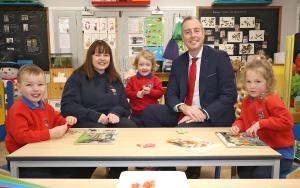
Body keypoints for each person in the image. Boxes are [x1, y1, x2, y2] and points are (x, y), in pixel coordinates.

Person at [143, 16, 237, 178]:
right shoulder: (178, 62)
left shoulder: (219, 57)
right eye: (187, 32)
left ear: (203, 33)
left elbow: (229, 95)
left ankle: (193, 171)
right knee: (149, 112)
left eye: (196, 30)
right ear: (183, 37)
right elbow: (170, 94)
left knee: (183, 132)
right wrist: (184, 108)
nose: (193, 35)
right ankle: (168, 170)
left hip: (211, 114)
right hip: (185, 110)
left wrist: (203, 113)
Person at [61, 40, 136, 178]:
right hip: (86, 120)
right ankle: (80, 175)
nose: (102, 58)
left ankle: (117, 173)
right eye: (98, 55)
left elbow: (125, 106)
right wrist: (94, 115)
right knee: (99, 134)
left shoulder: (115, 78)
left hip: (110, 120)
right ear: (90, 57)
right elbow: (67, 105)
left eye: (106, 55)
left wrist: (115, 113)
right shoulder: (78, 76)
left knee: (129, 126)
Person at [4, 64, 83, 178]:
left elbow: (59, 121)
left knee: (76, 170)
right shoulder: (17, 111)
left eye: (40, 84)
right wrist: (50, 134)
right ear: (18, 87)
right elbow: (21, 137)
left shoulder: (46, 106)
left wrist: (68, 122)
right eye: (29, 85)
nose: (36, 89)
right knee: (47, 179)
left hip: (44, 155)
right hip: (24, 161)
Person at [229, 55, 294, 178]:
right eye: (248, 82)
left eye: (257, 81)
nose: (252, 86)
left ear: (268, 82)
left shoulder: (271, 100)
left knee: (258, 175)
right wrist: (237, 126)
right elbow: (242, 119)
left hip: (281, 154)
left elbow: (287, 121)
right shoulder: (247, 100)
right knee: (243, 171)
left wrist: (261, 123)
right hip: (261, 150)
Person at [125, 50, 164, 126]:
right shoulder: (132, 80)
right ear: (137, 66)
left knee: (151, 133)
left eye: (147, 65)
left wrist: (150, 92)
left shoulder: (156, 79)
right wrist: (136, 94)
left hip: (152, 114)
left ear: (152, 66)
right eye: (141, 65)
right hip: (136, 114)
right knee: (136, 133)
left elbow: (160, 93)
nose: (144, 67)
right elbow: (127, 93)